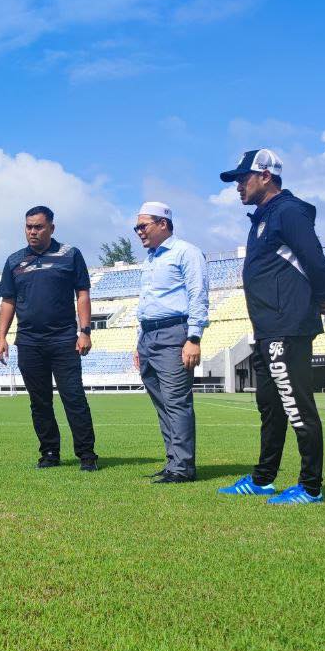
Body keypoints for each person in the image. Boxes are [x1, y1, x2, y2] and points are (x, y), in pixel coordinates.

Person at [216, 149, 325, 505]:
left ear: (266, 176)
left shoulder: (288, 212)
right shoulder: (263, 217)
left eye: (244, 178)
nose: (238, 186)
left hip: (287, 326)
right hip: (267, 327)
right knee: (270, 406)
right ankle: (262, 479)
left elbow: (316, 261)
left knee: (295, 404)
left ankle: (311, 487)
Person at [0, 206, 99, 471]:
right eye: (29, 226)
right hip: (29, 342)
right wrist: (1, 337)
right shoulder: (14, 261)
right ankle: (50, 452)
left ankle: (87, 455)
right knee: (39, 401)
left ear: (51, 228)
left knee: (73, 397)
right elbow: (8, 301)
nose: (33, 231)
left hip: (64, 340)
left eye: (39, 226)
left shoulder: (70, 255)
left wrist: (84, 332)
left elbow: (82, 293)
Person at [131, 201, 209, 483]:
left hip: (174, 334)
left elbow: (198, 295)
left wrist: (194, 337)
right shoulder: (150, 258)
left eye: (143, 226)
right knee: (162, 403)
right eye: (137, 227)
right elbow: (148, 303)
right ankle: (173, 461)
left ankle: (183, 467)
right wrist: (139, 341)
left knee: (176, 402)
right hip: (148, 335)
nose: (139, 231)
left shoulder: (186, 253)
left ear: (163, 224)